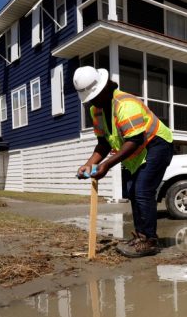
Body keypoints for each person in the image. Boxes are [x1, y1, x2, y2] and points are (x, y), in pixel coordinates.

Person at [73, 66, 174, 258]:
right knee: (133, 191)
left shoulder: (125, 104)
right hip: (135, 150)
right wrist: (90, 163)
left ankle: (149, 240)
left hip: (157, 144)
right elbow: (103, 143)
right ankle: (140, 236)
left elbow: (136, 140)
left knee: (143, 190)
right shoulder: (96, 111)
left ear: (103, 89)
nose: (91, 102)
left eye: (93, 97)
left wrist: (106, 165)